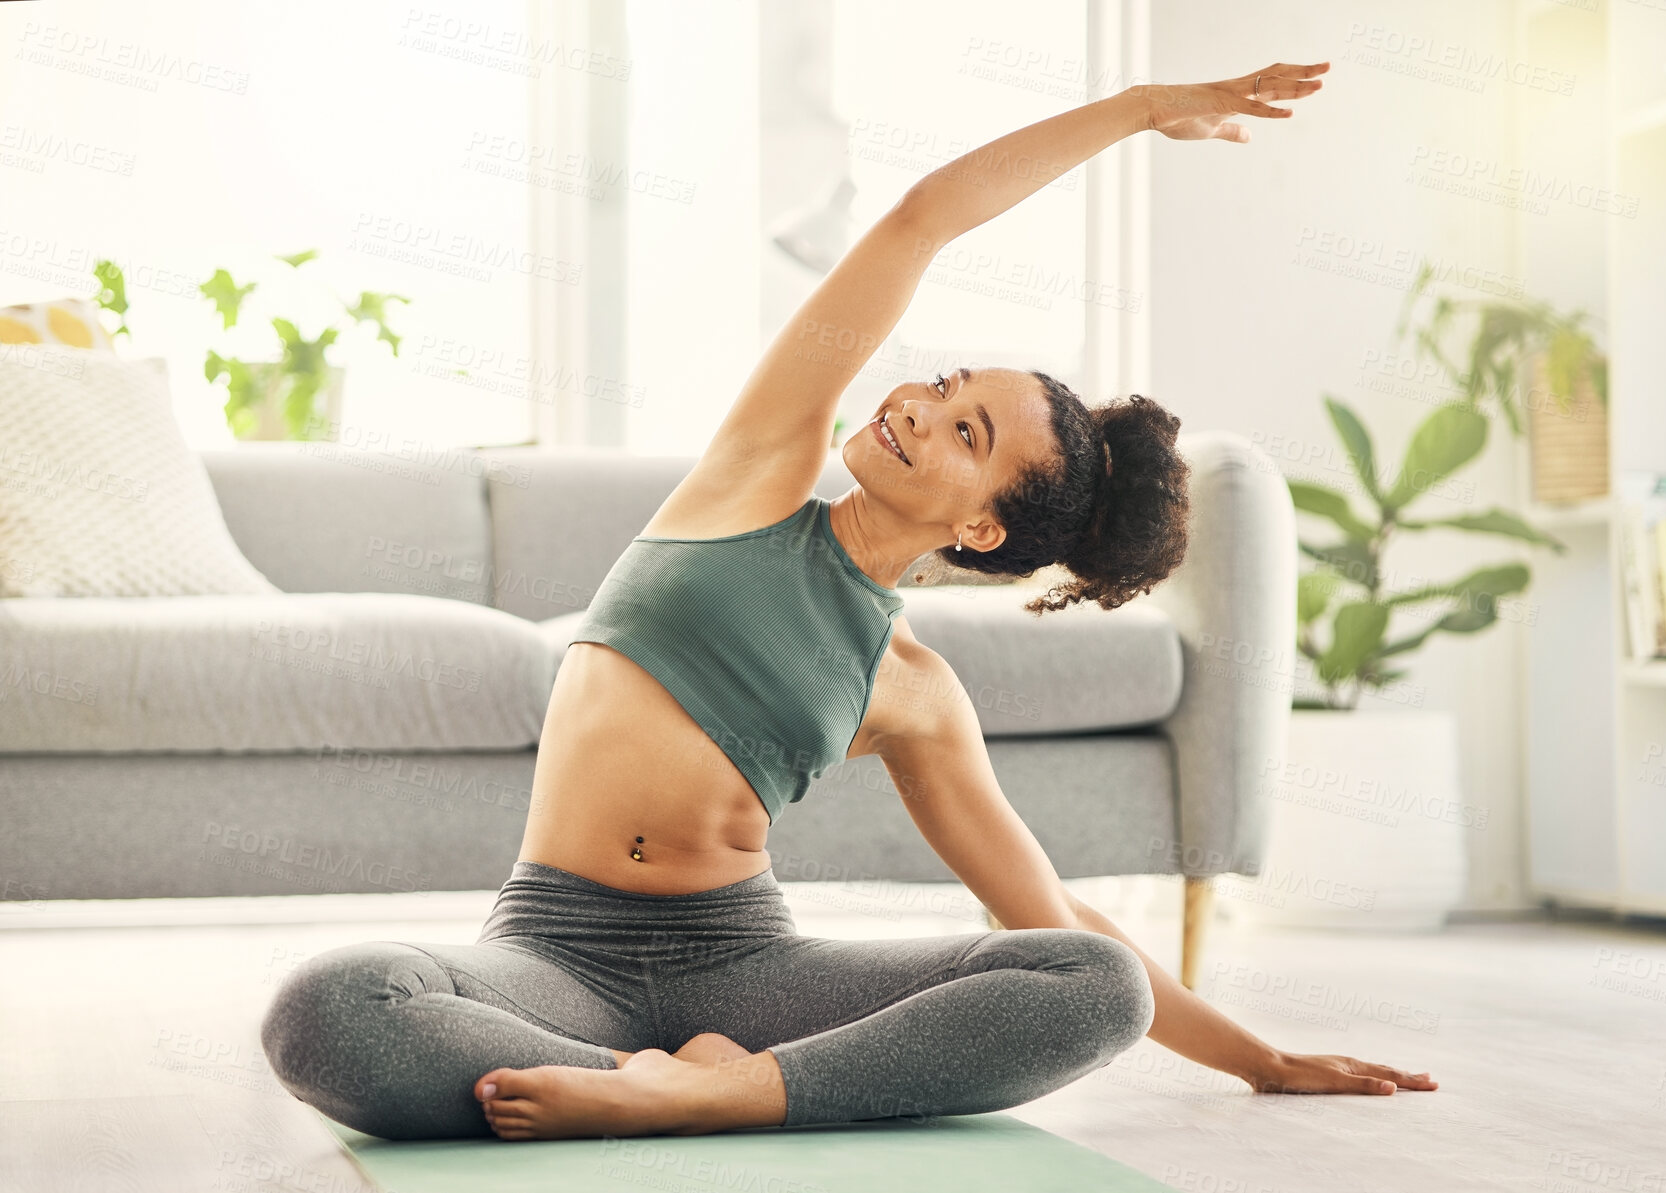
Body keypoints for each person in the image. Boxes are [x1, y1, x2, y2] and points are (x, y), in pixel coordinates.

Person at [261, 58, 1437, 1143]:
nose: (917, 406)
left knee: (1096, 986)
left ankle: (725, 1089)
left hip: (748, 971)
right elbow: (922, 218)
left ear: (982, 528)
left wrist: (1261, 1056)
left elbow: (1048, 915)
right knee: (333, 1009)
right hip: (553, 955)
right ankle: (655, 1078)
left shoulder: (913, 689)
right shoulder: (756, 474)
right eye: (941, 382)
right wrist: (1138, 109)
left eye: (964, 428)